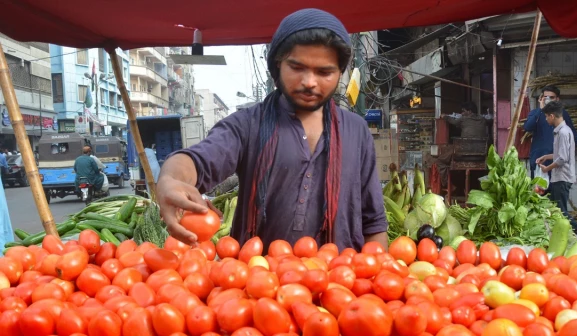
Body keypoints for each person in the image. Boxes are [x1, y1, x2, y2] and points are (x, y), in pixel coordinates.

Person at [156, 8, 388, 251]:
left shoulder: (357, 130)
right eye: (297, 67)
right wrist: (170, 178)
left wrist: (375, 274)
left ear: (340, 73)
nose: (309, 82)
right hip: (257, 280)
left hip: (340, 282)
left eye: (324, 72)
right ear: (277, 66)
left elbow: (373, 221)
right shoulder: (247, 124)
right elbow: (200, 160)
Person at [536, 101, 577, 235]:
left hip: (562, 177)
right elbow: (561, 154)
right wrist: (546, 157)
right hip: (561, 177)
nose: (546, 119)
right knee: (556, 209)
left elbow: (562, 159)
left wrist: (547, 169)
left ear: (552, 116)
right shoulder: (563, 131)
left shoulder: (563, 133)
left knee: (560, 211)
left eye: (546, 116)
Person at [524, 84, 577, 179]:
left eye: (551, 97)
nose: (548, 99)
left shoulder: (562, 115)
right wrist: (541, 110)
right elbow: (528, 127)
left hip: (556, 161)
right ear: (541, 98)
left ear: (557, 99)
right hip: (539, 159)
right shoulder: (535, 113)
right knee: (539, 191)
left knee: (556, 191)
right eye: (545, 97)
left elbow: (573, 133)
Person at [430, 102, 492, 193]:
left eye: (463, 111)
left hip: (463, 154)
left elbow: (452, 121)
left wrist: (444, 116)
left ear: (469, 111)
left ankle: (448, 185)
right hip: (480, 154)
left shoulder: (463, 119)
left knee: (440, 161)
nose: (462, 113)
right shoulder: (483, 119)